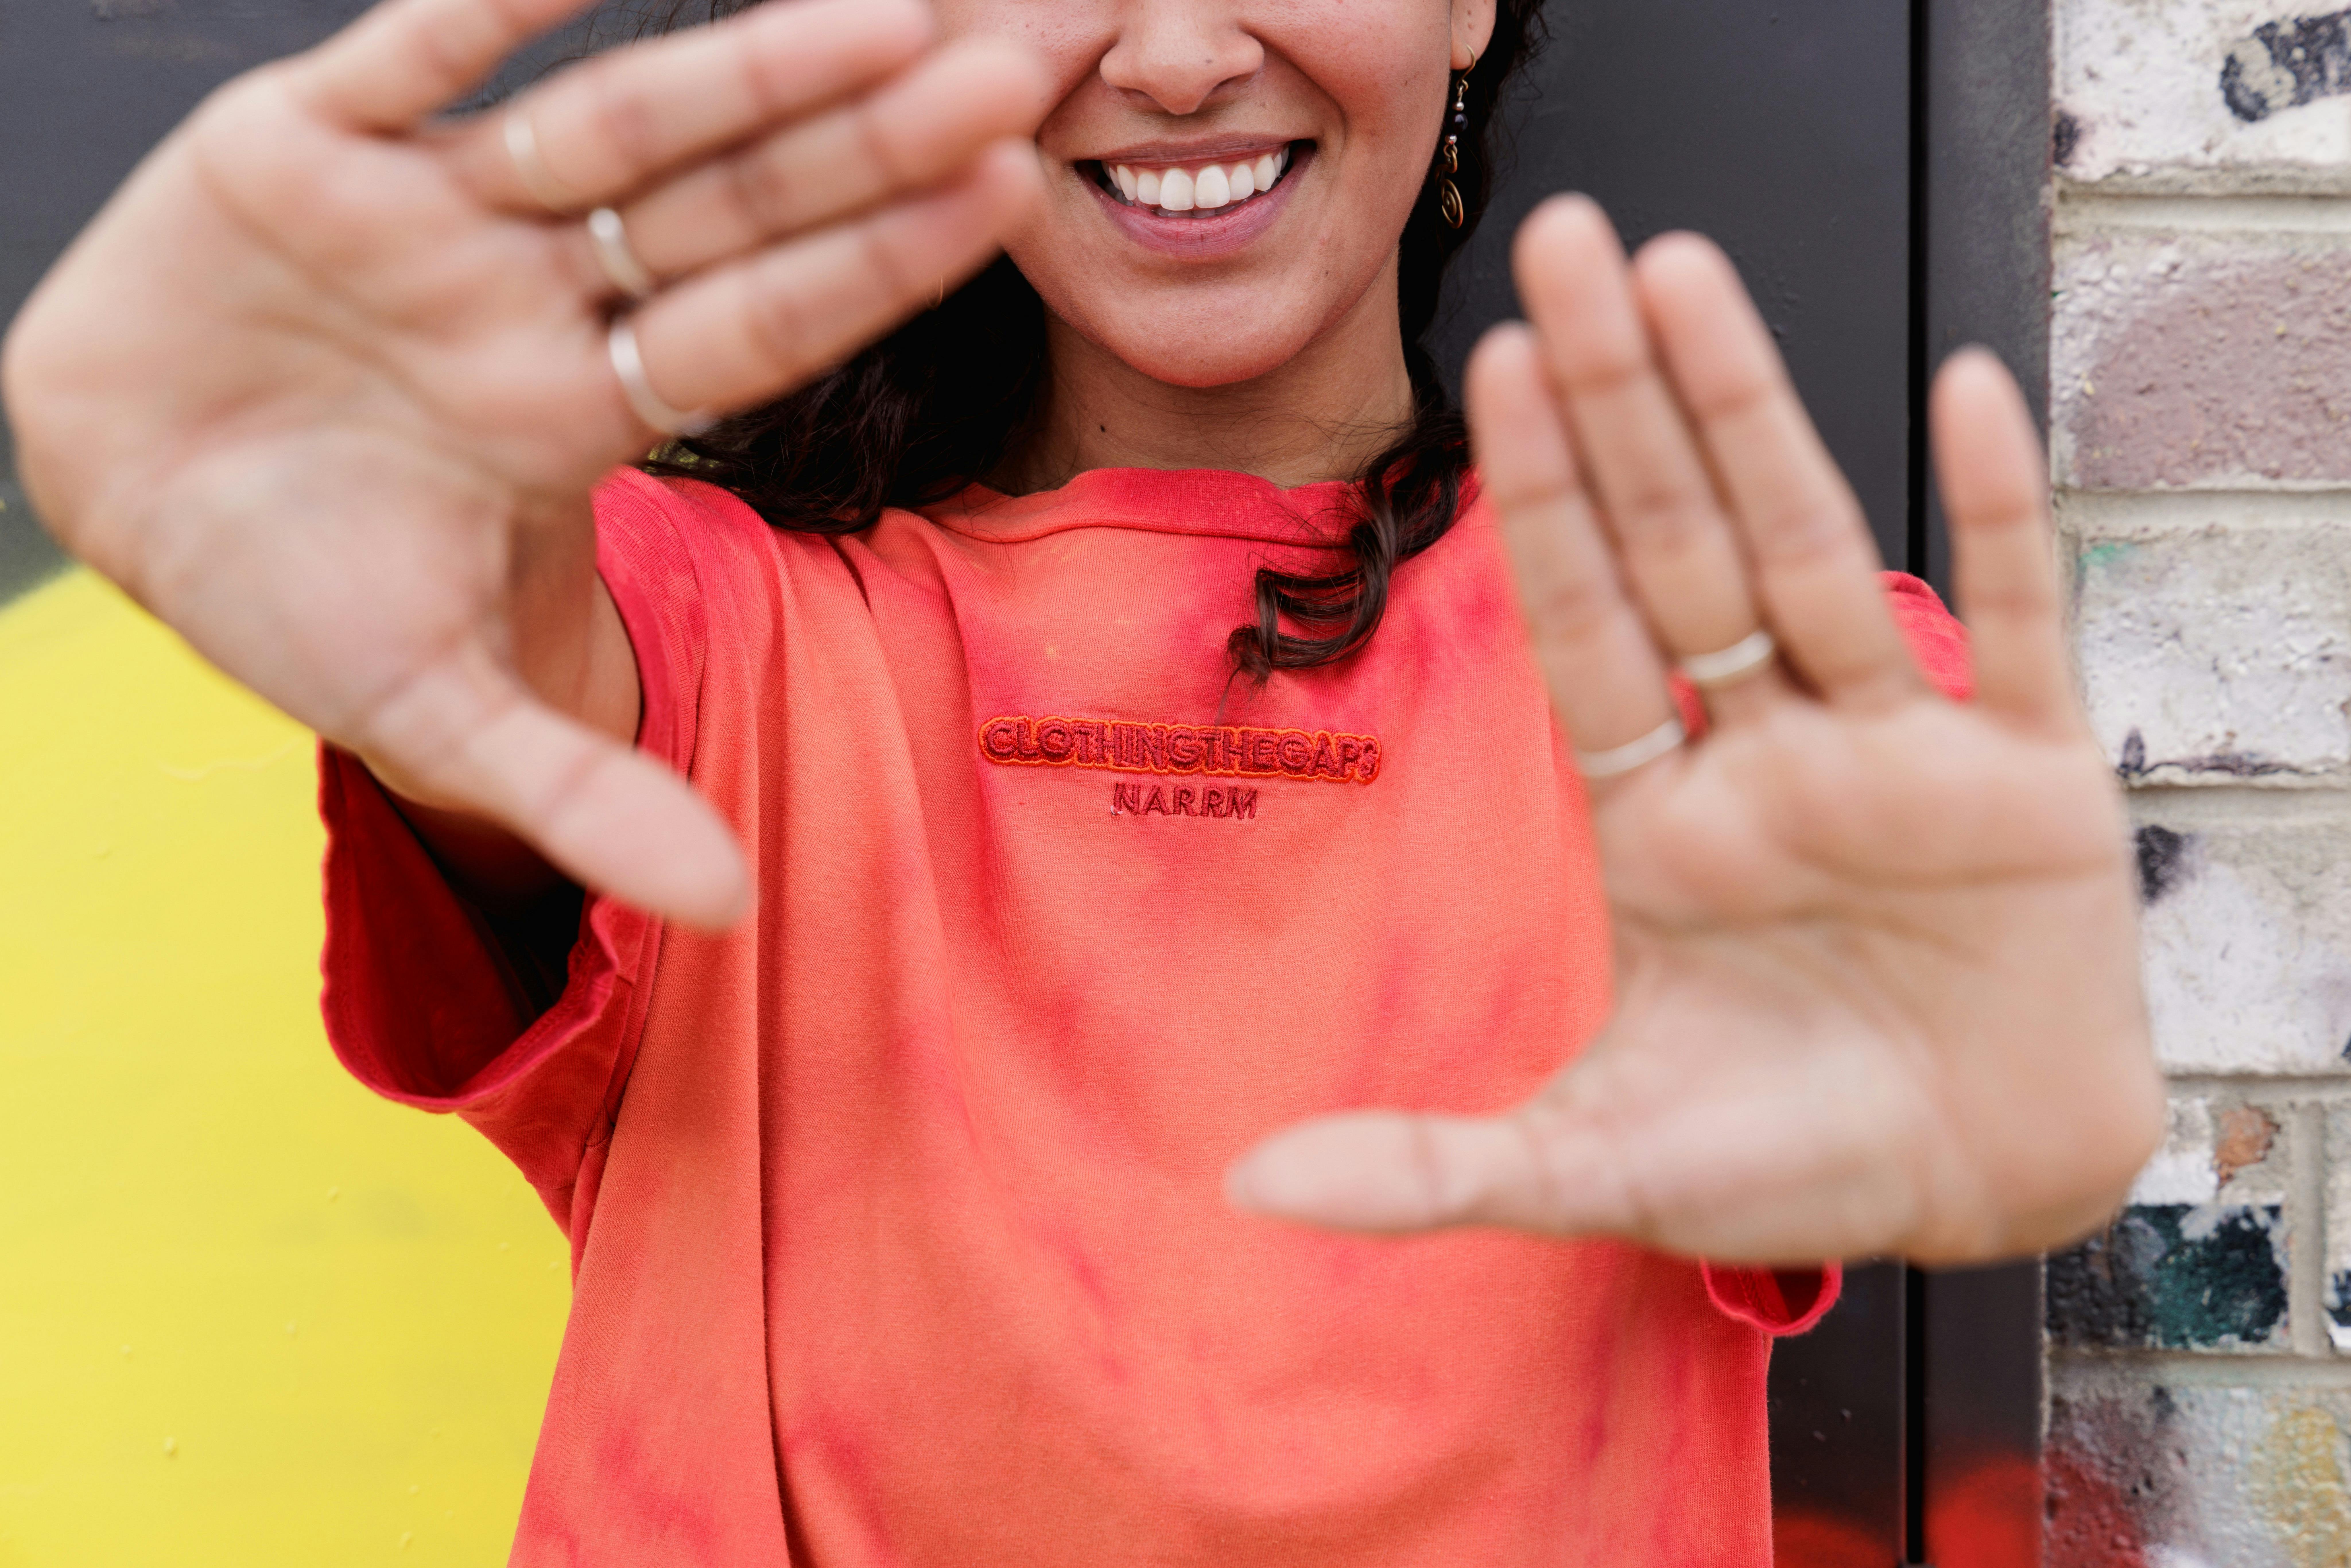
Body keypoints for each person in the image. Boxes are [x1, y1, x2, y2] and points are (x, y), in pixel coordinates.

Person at [0, 0, 2163, 1557]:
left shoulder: (1744, 697)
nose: (1176, 53)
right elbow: (504, 648)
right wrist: (317, 483)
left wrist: (1987, 1073)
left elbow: (1931, 974)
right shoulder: (729, 636)